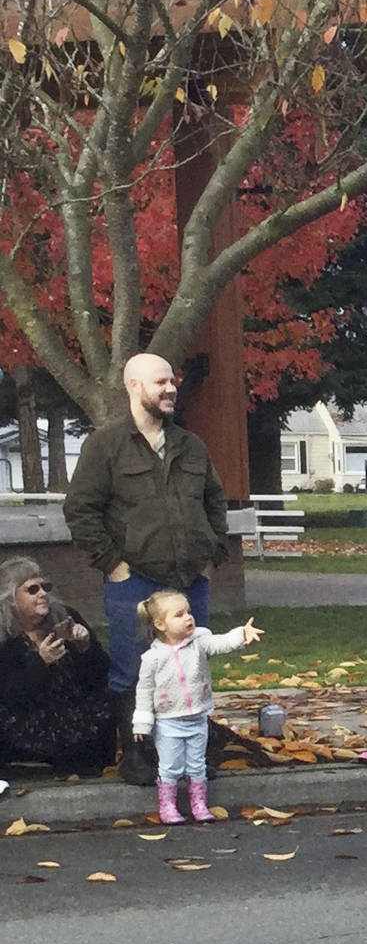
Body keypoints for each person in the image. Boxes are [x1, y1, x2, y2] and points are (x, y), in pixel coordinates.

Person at [62, 352, 232, 697]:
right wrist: (113, 566)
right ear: (134, 386)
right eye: (161, 383)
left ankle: (187, 748)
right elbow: (80, 509)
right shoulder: (105, 445)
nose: (171, 389)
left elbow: (214, 501)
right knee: (133, 677)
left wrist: (211, 555)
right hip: (134, 584)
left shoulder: (191, 446)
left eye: (172, 381)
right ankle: (135, 751)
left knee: (190, 674)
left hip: (190, 582)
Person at [131, 590, 261, 826]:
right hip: (168, 721)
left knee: (197, 764)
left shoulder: (199, 643)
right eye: (179, 615)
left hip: (197, 718)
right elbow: (144, 691)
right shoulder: (152, 658)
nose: (188, 618)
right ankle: (168, 806)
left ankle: (198, 804)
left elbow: (221, 643)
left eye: (188, 612)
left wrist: (241, 634)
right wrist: (142, 722)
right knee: (170, 766)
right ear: (160, 624)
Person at [0, 556, 119, 775]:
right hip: (28, 718)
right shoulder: (5, 638)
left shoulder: (66, 616)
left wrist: (85, 647)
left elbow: (99, 674)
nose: (43, 594)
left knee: (111, 699)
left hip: (73, 710)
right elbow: (10, 695)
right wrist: (41, 663)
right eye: (32, 589)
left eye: (44, 587)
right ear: (10, 598)